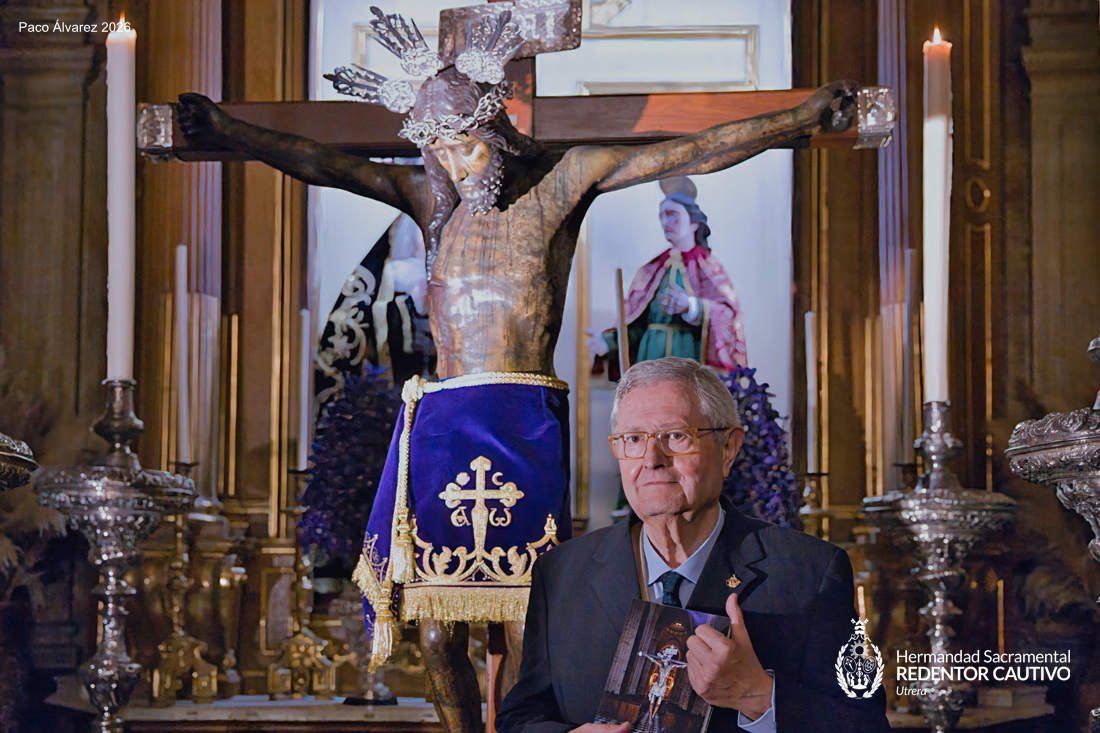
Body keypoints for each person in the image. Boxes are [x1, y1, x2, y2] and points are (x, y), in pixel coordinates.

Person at [176, 8, 858, 731]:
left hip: (521, 424)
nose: (452, 163)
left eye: (463, 145)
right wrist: (227, 131)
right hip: (443, 423)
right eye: (436, 148)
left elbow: (688, 153)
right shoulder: (435, 203)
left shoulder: (561, 185)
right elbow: (328, 164)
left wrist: (797, 119)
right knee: (437, 634)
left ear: (493, 123)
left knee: (535, 619)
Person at [496, 358, 891, 733]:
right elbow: (521, 717)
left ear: (729, 448)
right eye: (633, 439)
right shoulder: (561, 573)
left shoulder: (809, 573)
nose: (652, 459)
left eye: (675, 436)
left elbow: (866, 724)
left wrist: (758, 696)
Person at [588, 177, 748, 379]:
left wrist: (691, 306)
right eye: (661, 215)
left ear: (694, 223)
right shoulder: (653, 269)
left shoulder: (709, 267)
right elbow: (636, 324)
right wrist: (608, 342)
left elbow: (727, 314)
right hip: (649, 359)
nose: (665, 222)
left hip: (687, 357)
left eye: (672, 215)